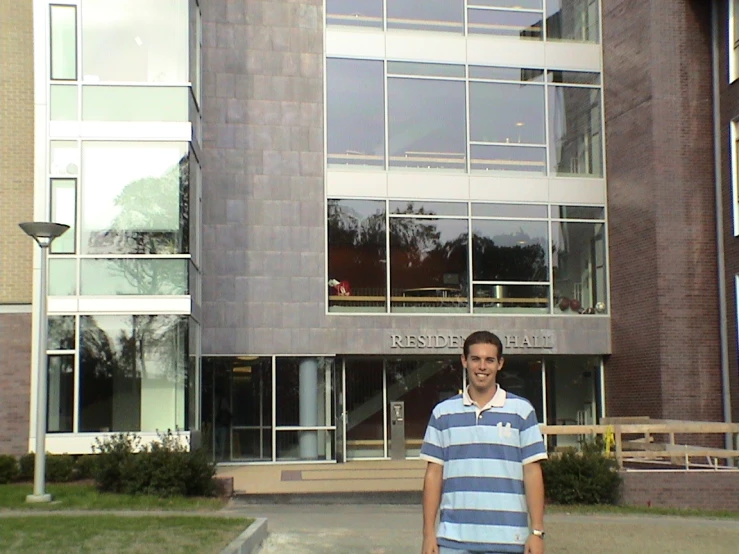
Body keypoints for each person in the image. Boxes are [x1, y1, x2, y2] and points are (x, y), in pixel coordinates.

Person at [420, 330, 547, 554]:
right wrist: (429, 534)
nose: (482, 366)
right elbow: (433, 475)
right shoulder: (443, 413)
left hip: (509, 541)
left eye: (489, 360)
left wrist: (536, 532)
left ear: (500, 364)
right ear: (464, 361)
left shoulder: (522, 411)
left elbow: (532, 473)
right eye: (475, 359)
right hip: (453, 542)